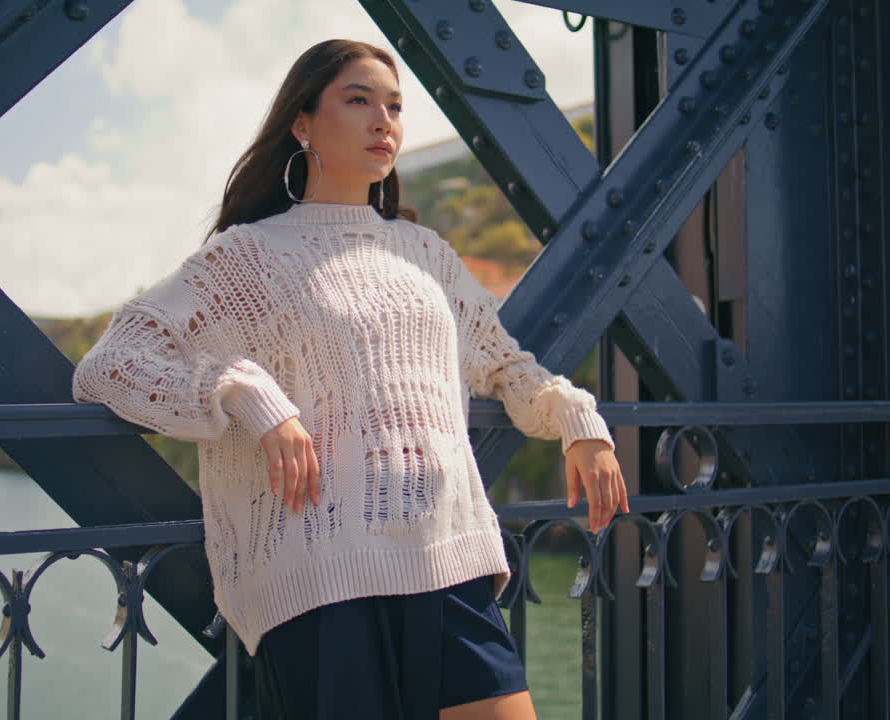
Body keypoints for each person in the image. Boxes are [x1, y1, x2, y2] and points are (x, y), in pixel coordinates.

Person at [72, 38, 628, 720]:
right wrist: (243, 392)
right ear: (302, 123)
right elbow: (111, 366)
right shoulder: (246, 255)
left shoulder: (426, 254)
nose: (383, 121)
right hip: (319, 576)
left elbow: (505, 366)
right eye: (358, 100)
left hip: (448, 559)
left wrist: (577, 421)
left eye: (394, 106)